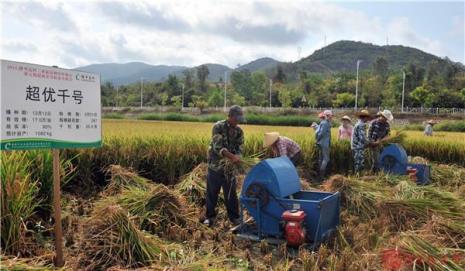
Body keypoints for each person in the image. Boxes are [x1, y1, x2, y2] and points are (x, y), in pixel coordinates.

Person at [203, 105, 245, 227]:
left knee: (231, 193)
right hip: (215, 165)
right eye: (236, 118)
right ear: (230, 116)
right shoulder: (218, 127)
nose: (238, 121)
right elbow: (218, 147)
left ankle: (234, 218)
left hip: (229, 168)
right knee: (212, 193)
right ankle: (209, 217)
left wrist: (238, 156)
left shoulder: (239, 131)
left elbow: (240, 147)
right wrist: (232, 157)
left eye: (239, 118)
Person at [315, 110, 332, 181]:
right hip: (324, 143)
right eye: (328, 115)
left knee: (321, 159)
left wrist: (317, 141)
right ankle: (321, 176)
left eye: (330, 116)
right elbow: (321, 133)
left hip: (321, 143)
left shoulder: (324, 122)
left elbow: (318, 132)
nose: (330, 117)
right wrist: (317, 140)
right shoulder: (325, 123)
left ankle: (320, 176)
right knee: (326, 159)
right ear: (325, 116)